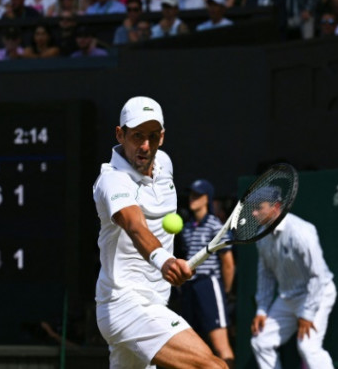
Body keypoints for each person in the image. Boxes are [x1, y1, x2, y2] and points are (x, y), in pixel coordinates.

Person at [94, 96, 227, 369]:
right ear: (120, 134)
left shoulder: (164, 163)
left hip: (153, 302)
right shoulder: (111, 180)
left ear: (162, 137)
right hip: (127, 305)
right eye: (137, 136)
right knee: (213, 367)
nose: (145, 146)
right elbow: (134, 225)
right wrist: (164, 261)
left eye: (153, 137)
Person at [250, 187, 337, 369]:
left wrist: (308, 313)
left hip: (317, 294)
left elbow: (317, 275)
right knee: (261, 342)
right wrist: (262, 310)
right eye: (253, 208)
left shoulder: (301, 231)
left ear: (276, 207)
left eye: (259, 207)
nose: (254, 212)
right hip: (288, 297)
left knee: (308, 347)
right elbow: (265, 274)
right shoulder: (261, 236)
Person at [176, 179, 235, 367]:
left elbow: (228, 263)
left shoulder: (215, 225)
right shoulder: (185, 228)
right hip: (190, 288)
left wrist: (225, 292)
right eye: (191, 194)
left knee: (221, 345)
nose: (192, 198)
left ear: (207, 199)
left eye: (197, 195)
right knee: (191, 348)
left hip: (209, 285)